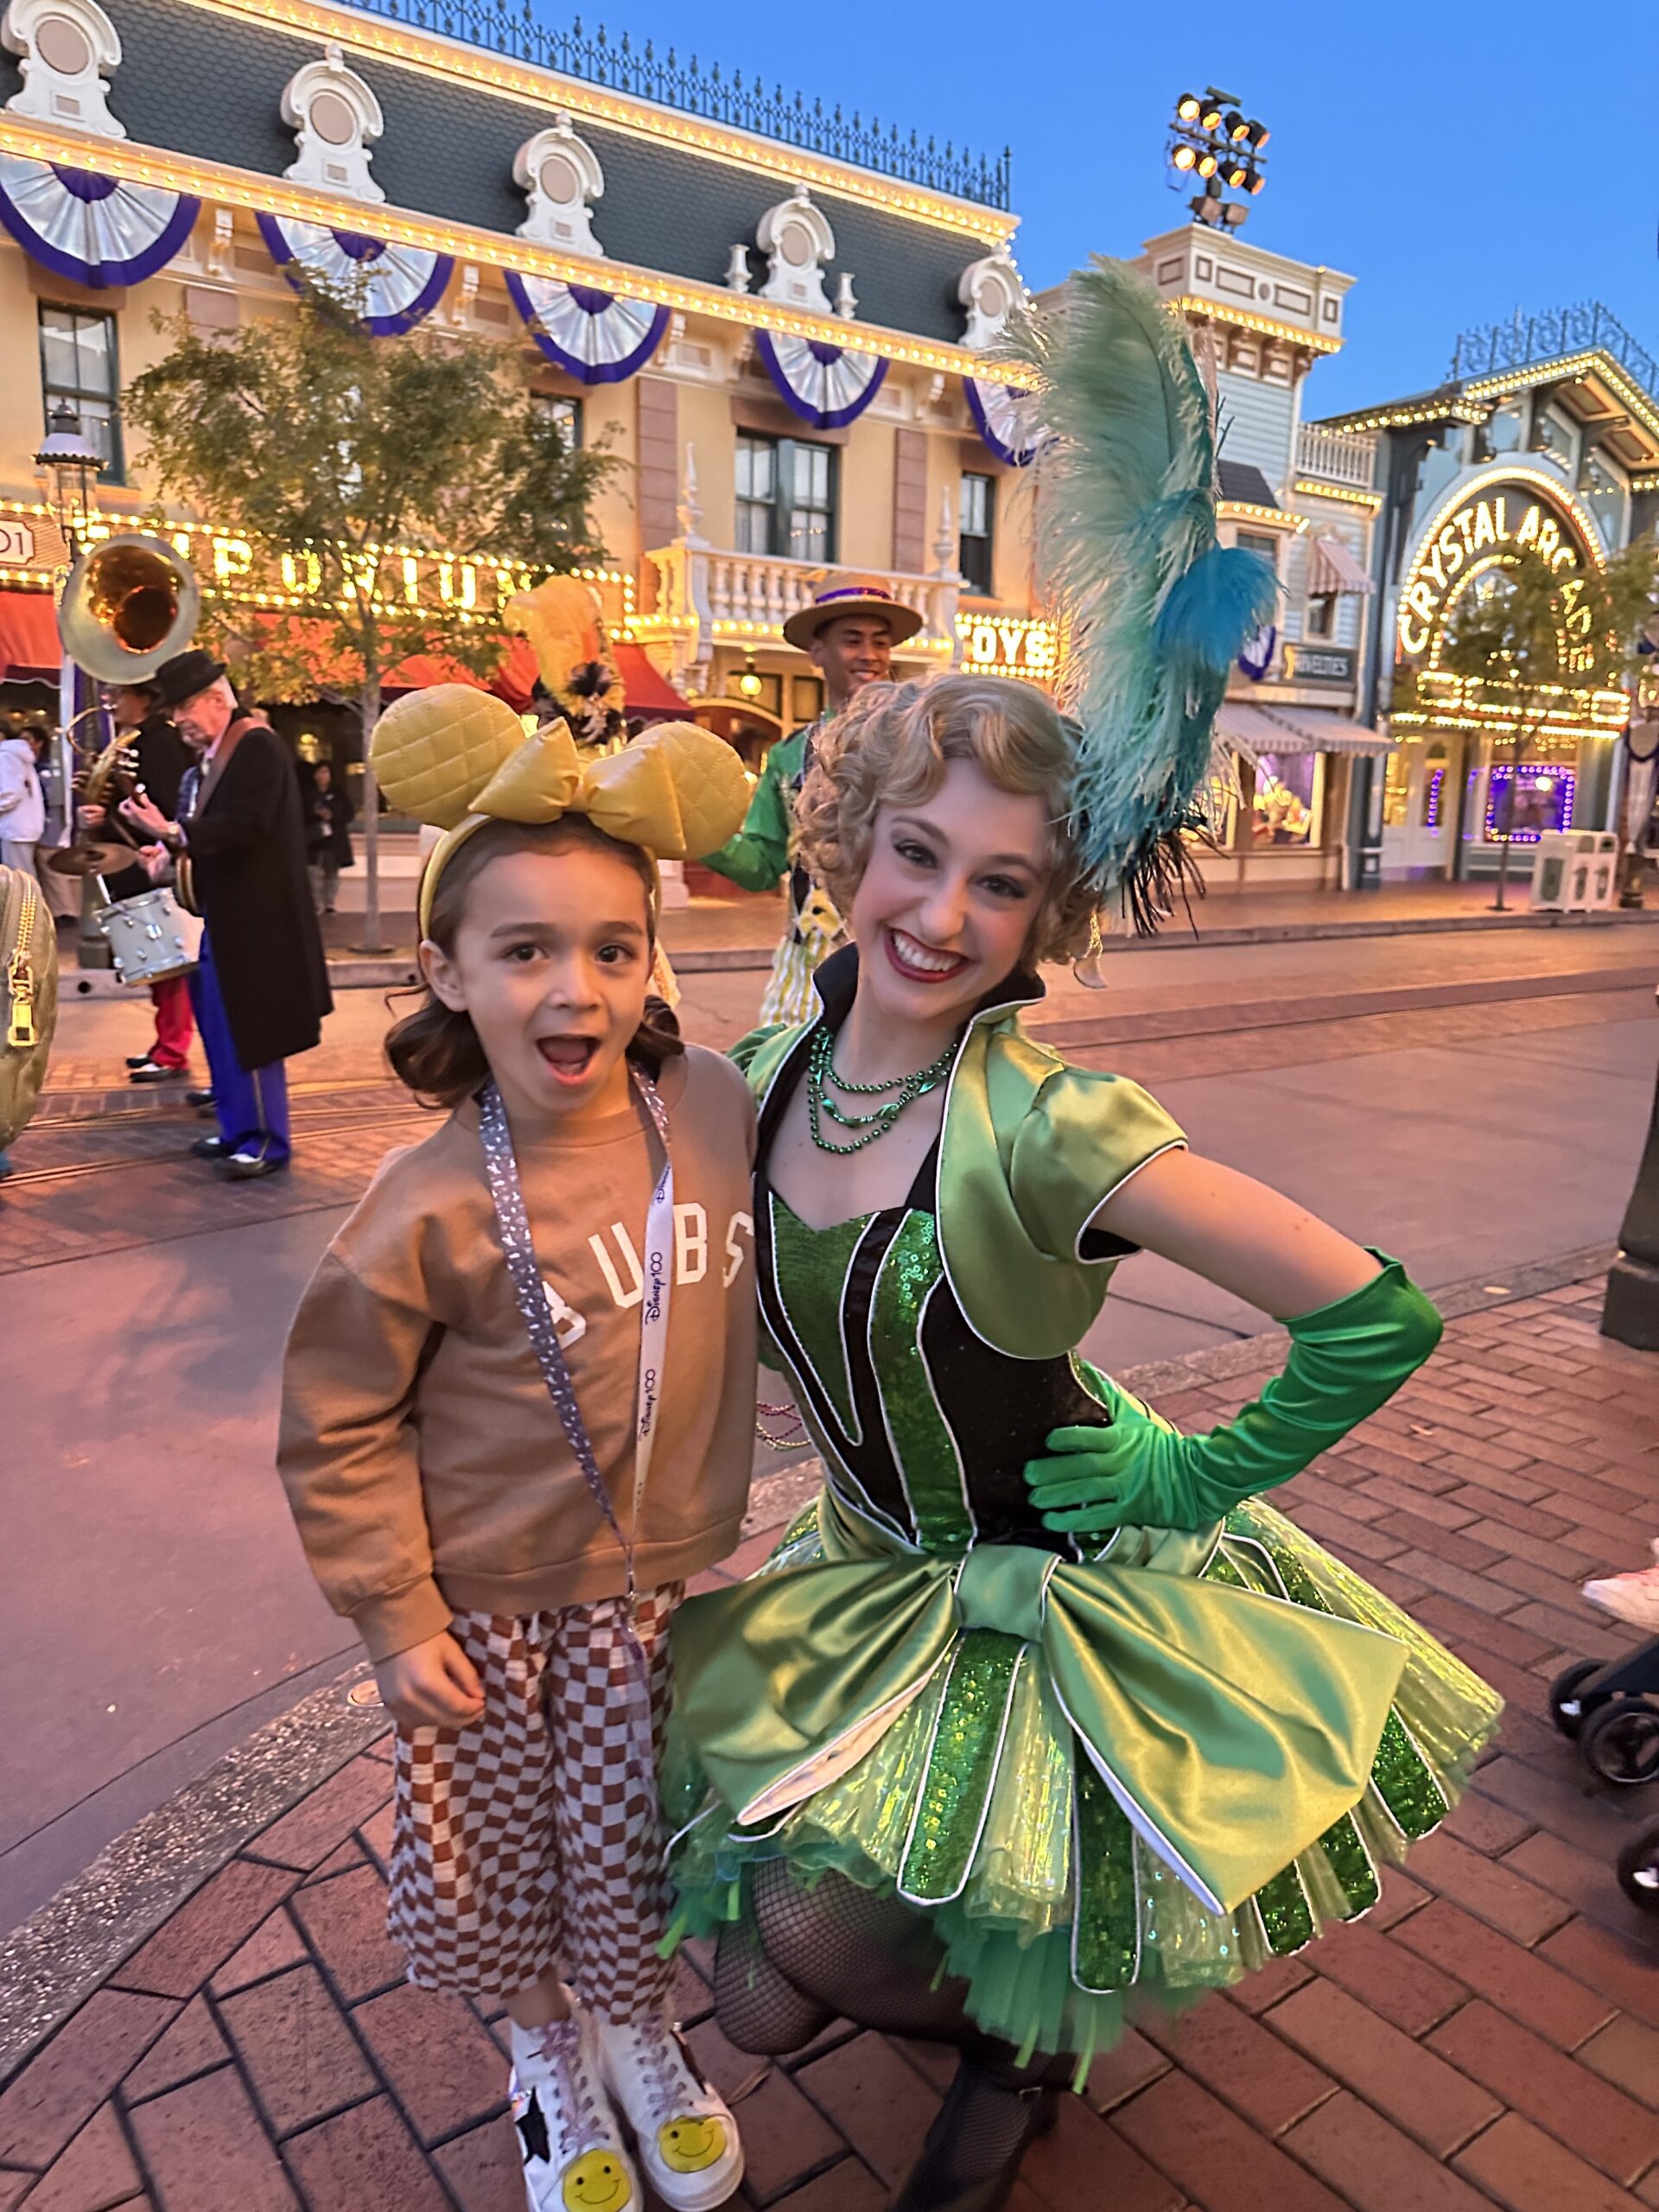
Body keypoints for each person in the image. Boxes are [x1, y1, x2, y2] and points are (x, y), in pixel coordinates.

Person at [661, 266, 1505, 2212]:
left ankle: (1025, 2038)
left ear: (1050, 923)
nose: (945, 914)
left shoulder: (1056, 1121)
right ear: (852, 846)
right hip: (860, 1566)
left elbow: (1377, 1316)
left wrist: (1190, 1463)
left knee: (814, 1958)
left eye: (1005, 885)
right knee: (762, 1992)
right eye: (920, 854)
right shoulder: (772, 1063)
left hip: (1036, 1589)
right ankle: (1006, 2023)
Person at [276, 694, 757, 2212]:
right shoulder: (426, 1201)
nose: (579, 987)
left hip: (660, 1590)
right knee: (500, 1861)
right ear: (448, 971)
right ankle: (549, 2049)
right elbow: (335, 1419)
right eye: (527, 950)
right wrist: (395, 1614)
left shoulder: (717, 1111)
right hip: (485, 1612)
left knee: (638, 1848)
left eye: (615, 948)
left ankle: (641, 2028)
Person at [120, 651, 331, 1179]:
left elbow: (249, 824)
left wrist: (172, 833)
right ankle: (239, 1129)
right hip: (227, 920)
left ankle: (266, 1141)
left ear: (216, 700)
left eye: (183, 709)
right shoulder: (214, 760)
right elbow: (216, 835)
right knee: (223, 1029)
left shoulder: (256, 745)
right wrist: (170, 852)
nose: (177, 721)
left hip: (259, 924)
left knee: (254, 1034)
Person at [697, 575, 921, 1026]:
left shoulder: (919, 742)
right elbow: (762, 865)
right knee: (778, 1083)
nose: (870, 655)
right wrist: (695, 831)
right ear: (817, 652)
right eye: (852, 640)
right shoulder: (787, 755)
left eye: (881, 642)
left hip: (903, 955)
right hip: (806, 970)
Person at [78, 679, 198, 1084]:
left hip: (153, 866)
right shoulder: (134, 741)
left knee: (168, 963)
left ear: (145, 698)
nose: (110, 702)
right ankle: (165, 1044)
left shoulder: (159, 743)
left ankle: (172, 1049)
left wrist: (119, 812)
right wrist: (100, 812)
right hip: (134, 865)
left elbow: (162, 808)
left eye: (119, 694)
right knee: (155, 961)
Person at [303, 759, 354, 913]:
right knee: (313, 872)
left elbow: (348, 814)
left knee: (331, 873)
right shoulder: (309, 794)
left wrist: (332, 815)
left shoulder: (338, 793)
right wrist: (315, 815)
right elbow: (301, 814)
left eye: (326, 772)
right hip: (314, 840)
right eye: (319, 772)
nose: (322, 776)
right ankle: (315, 904)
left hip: (334, 840)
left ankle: (329, 903)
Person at [0, 714, 44, 877]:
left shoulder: (6, 756)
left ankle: (27, 904)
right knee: (23, 877)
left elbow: (9, 794)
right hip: (21, 826)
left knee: (19, 880)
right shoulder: (15, 754)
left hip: (15, 827)